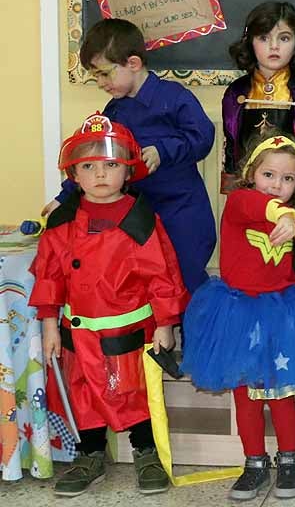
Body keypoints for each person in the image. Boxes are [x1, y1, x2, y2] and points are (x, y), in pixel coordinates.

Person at [31, 114, 189, 497]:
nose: (100, 175)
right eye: (89, 166)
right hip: (76, 334)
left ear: (127, 170)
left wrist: (165, 325)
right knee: (82, 395)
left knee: (132, 393)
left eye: (110, 165)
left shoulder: (140, 221)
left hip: (125, 333)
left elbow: (162, 276)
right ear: (75, 175)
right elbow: (49, 276)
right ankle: (90, 455)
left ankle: (146, 453)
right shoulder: (63, 222)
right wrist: (50, 325)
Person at [181, 133, 295, 501]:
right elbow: (266, 210)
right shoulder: (241, 201)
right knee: (246, 395)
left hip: (281, 314)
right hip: (239, 313)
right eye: (269, 175)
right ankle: (254, 462)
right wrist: (290, 218)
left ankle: (289, 460)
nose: (277, 185)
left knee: (281, 395)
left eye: (288, 179)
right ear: (251, 173)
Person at [43, 19, 216, 293]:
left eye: (104, 74)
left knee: (185, 280)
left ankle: (193, 333)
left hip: (183, 211)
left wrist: (163, 151)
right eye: (95, 75)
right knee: (142, 281)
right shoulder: (115, 110)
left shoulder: (174, 97)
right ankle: (156, 336)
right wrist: (64, 198)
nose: (100, 83)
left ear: (133, 64)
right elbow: (95, 157)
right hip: (137, 212)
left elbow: (203, 136)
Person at [222, 1, 295, 194]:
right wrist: (232, 192)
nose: (274, 46)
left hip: (292, 191)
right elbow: (230, 146)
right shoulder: (237, 92)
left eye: (284, 38)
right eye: (264, 38)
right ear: (250, 41)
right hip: (247, 191)